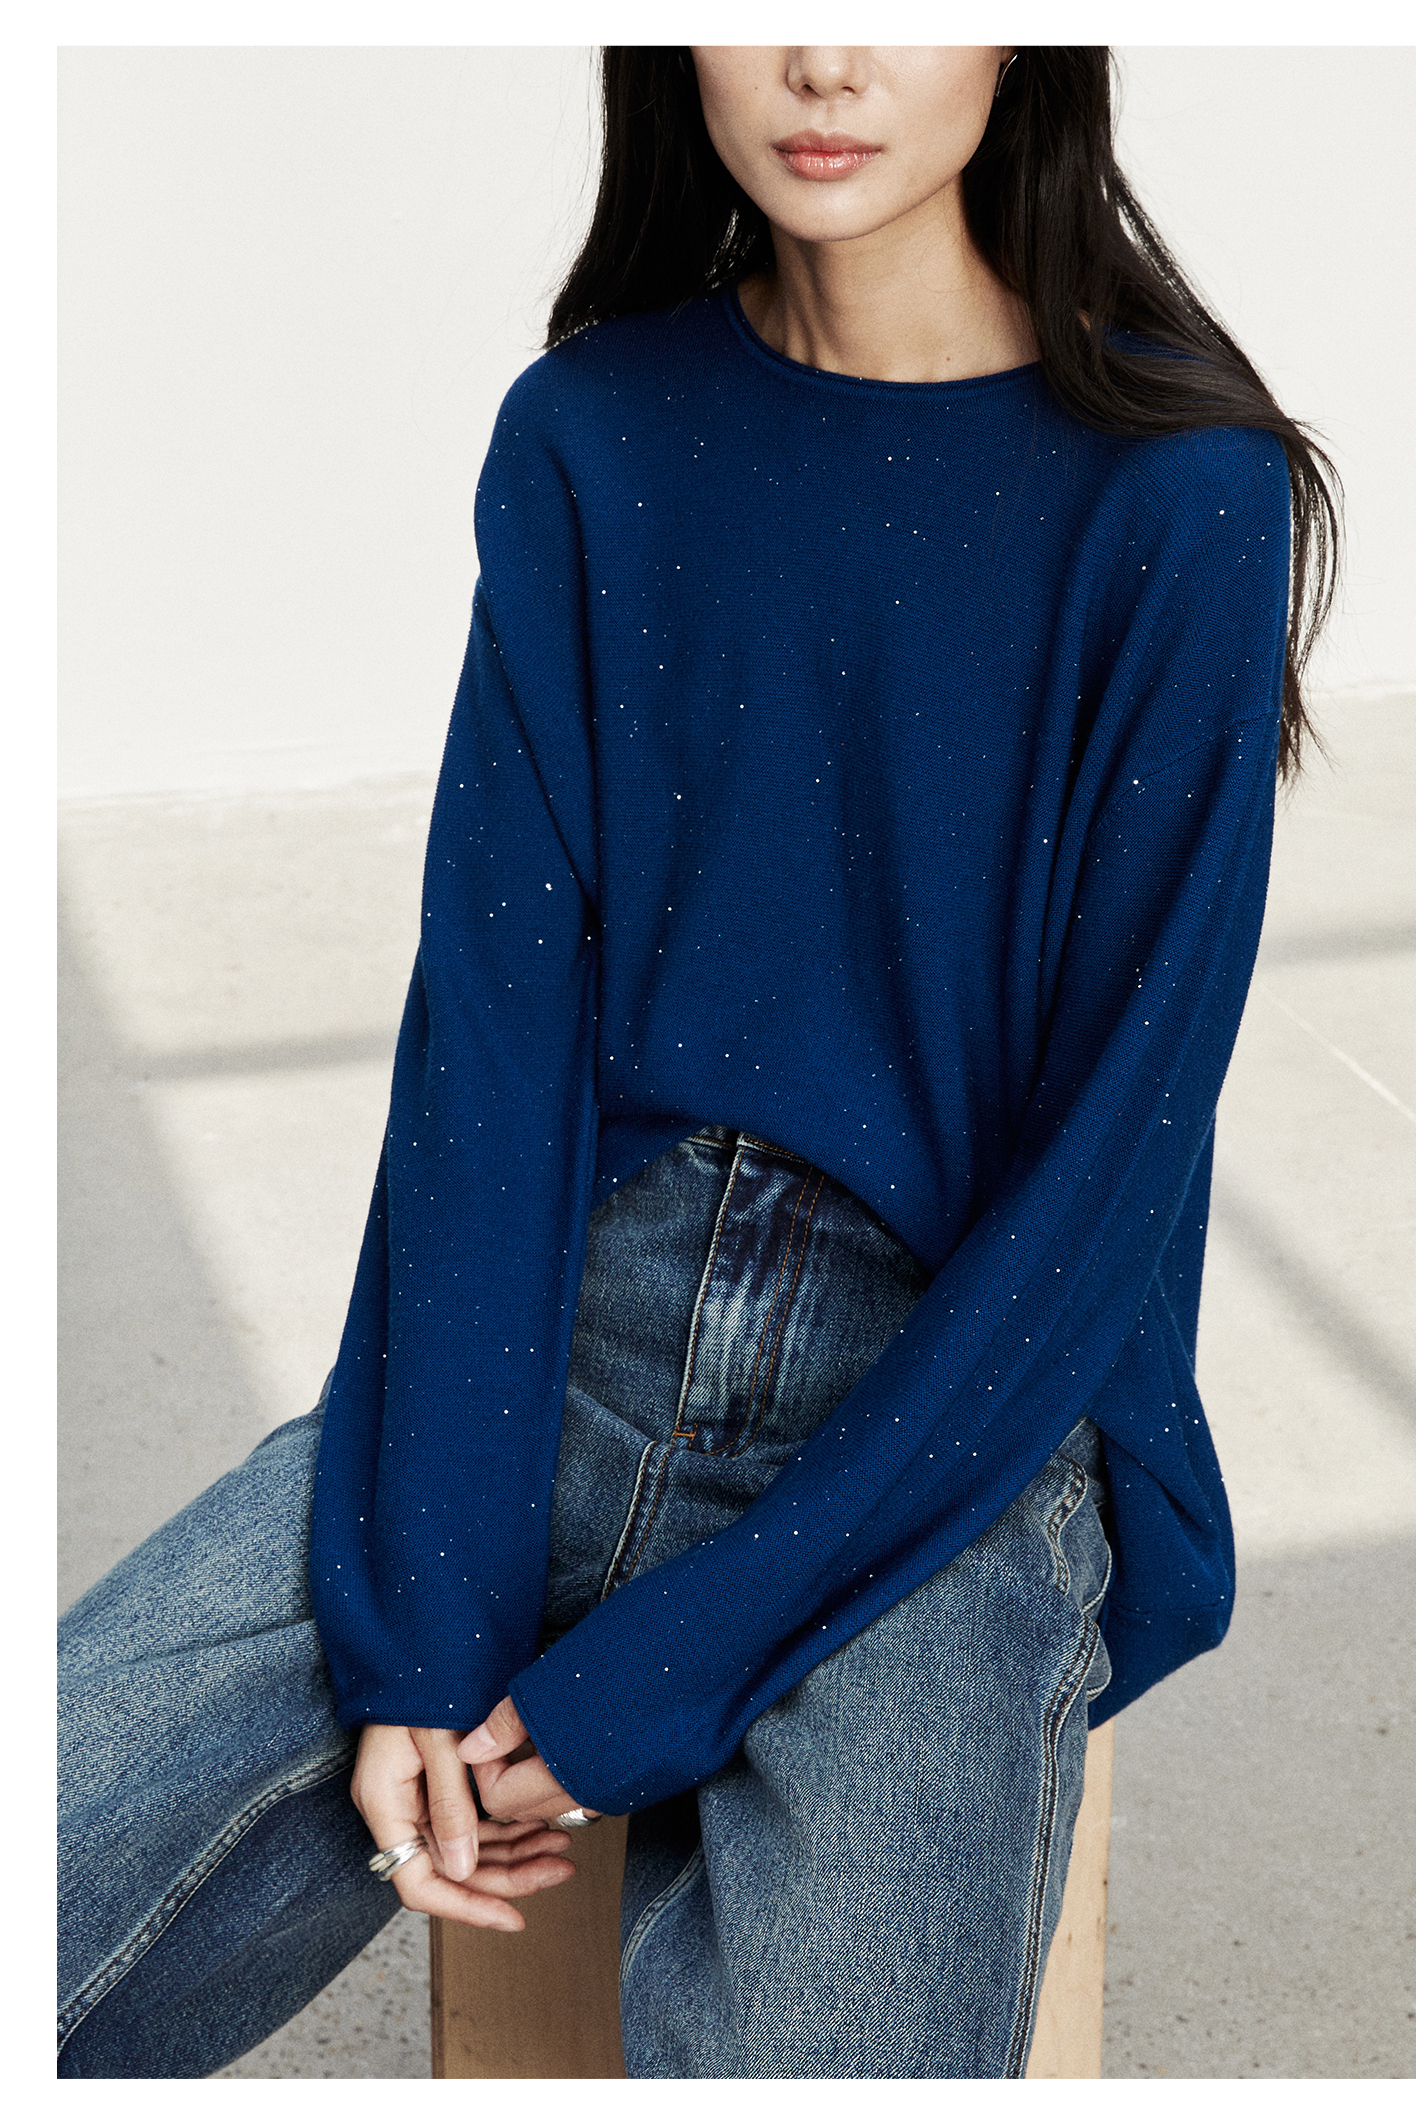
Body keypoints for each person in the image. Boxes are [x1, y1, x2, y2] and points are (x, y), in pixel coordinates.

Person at [58, 46, 1341, 2078]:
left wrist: (654, 1675)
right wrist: (425, 1624)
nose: (825, 55)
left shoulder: (1185, 494)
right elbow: (491, 1059)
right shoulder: (598, 432)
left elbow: (1109, 1178)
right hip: (575, 1325)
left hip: (959, 1419)